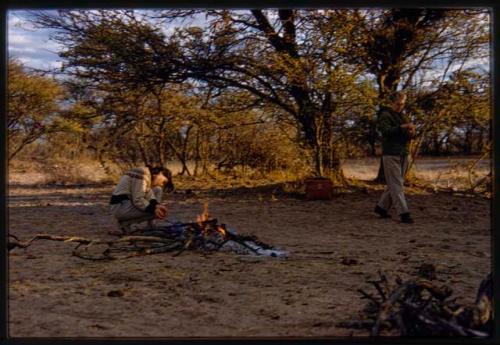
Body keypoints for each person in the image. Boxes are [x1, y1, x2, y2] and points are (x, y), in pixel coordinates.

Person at [374, 91, 416, 224]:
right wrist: (402, 127)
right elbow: (385, 131)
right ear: (391, 103)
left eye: (402, 104)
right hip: (391, 154)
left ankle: (381, 208)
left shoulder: (402, 116)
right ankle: (404, 213)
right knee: (397, 185)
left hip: (403, 153)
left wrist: (411, 132)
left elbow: (408, 136)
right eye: (398, 104)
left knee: (395, 183)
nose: (400, 107)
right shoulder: (384, 115)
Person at [109, 165, 174, 233]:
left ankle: (150, 224)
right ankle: (125, 223)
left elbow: (149, 194)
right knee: (156, 212)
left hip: (125, 204)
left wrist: (157, 205)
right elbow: (138, 199)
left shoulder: (146, 176)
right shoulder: (142, 174)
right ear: (160, 173)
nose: (161, 184)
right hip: (120, 207)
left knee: (158, 190)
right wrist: (154, 209)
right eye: (164, 182)